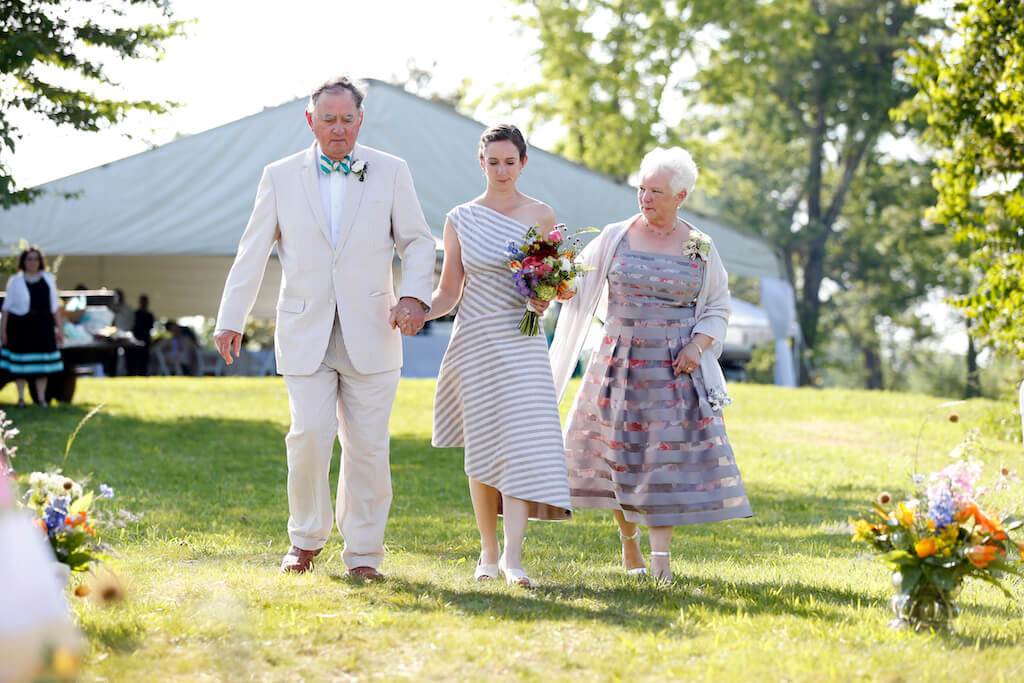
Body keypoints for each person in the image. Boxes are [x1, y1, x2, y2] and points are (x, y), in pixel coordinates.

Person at [213, 76, 435, 579]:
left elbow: (419, 242)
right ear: (310, 121)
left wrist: (415, 296)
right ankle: (305, 537)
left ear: (361, 120)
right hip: (303, 328)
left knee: (369, 448)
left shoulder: (392, 171)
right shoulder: (279, 175)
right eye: (328, 119)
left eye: (347, 119)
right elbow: (252, 251)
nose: (339, 129)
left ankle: (363, 553)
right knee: (310, 435)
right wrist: (231, 318)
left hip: (374, 330)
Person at [549, 147, 753, 582]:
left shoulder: (700, 245)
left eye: (656, 191)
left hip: (673, 369)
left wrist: (697, 346)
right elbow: (574, 282)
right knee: (619, 457)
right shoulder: (614, 236)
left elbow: (718, 305)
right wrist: (550, 280)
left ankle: (661, 560)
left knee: (663, 462)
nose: (645, 198)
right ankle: (630, 546)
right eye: (641, 189)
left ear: (681, 195)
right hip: (618, 365)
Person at [424, 124, 572, 587]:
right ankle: (487, 553)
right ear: (481, 163)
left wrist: (550, 292)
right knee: (485, 447)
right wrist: (415, 310)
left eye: (511, 162)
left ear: (523, 163)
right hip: (475, 343)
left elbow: (560, 285)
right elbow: (449, 292)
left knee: (522, 446)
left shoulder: (541, 214)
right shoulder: (460, 218)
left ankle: (514, 557)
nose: (502, 170)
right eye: (494, 162)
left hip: (524, 344)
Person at [0, 247, 64, 407]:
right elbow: (6, 308)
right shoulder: (16, 281)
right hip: (21, 327)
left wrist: (59, 329)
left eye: (36, 259)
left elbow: (54, 306)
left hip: (43, 326)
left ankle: (41, 399)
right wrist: (3, 331)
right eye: (29, 259)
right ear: (23, 262)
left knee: (42, 365)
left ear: (40, 261)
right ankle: (21, 398)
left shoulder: (48, 278)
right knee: (20, 365)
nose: (33, 262)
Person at [127, 294, 155, 375]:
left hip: (145, 340)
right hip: (136, 340)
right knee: (134, 360)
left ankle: (143, 374)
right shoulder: (135, 314)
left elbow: (150, 327)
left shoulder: (149, 315)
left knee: (144, 361)